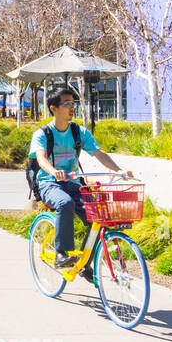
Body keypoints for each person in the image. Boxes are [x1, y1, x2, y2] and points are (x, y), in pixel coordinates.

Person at [30, 86, 131, 272]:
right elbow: (41, 158)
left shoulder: (79, 132)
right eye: (67, 103)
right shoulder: (42, 134)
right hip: (49, 183)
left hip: (74, 184)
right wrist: (53, 171)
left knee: (98, 217)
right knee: (65, 203)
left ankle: (86, 264)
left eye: (73, 103)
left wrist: (119, 170)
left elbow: (99, 154)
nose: (72, 107)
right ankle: (61, 252)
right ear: (53, 108)